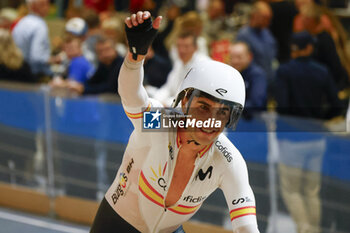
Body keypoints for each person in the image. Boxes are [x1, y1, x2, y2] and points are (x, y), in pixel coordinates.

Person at [90, 11, 259, 233]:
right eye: (203, 107)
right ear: (185, 101)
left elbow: (247, 227)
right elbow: (131, 96)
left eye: (222, 113)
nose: (210, 121)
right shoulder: (161, 122)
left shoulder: (228, 159)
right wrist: (135, 58)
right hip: (118, 223)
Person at [274, 31, 342, 120]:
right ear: (309, 48)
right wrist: (323, 118)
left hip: (290, 127)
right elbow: (337, 105)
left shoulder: (283, 70)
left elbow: (282, 105)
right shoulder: (322, 71)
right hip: (315, 127)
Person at [154, 31, 210, 106]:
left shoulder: (203, 65)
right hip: (171, 104)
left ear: (195, 47)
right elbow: (168, 88)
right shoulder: (179, 62)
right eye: (179, 46)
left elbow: (189, 99)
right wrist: (157, 100)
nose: (181, 50)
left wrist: (165, 103)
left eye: (186, 46)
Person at [236, 1, 277, 81]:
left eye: (269, 18)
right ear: (255, 15)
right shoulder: (243, 35)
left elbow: (272, 55)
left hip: (270, 80)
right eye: (265, 18)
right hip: (252, 81)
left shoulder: (267, 33)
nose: (268, 22)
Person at [12, 0, 52, 77]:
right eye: (44, 5)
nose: (47, 8)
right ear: (33, 6)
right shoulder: (39, 26)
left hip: (17, 71)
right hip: (34, 75)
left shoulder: (21, 22)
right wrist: (55, 60)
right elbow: (37, 57)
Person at [229, 41, 267, 118]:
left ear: (249, 56)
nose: (235, 61)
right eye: (232, 57)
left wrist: (230, 109)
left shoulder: (257, 75)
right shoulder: (230, 74)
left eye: (239, 57)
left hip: (254, 122)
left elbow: (256, 103)